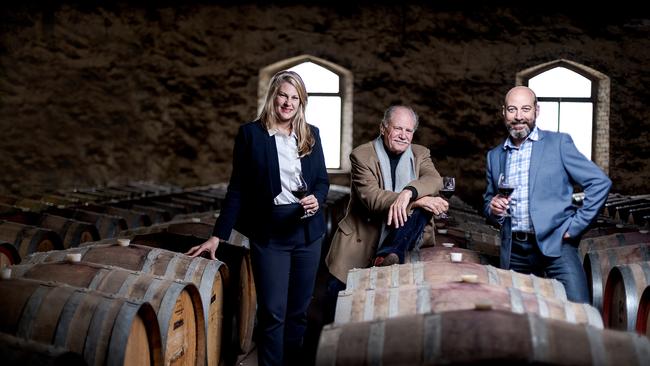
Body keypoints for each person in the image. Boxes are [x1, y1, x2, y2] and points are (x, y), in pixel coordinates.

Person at [186, 70, 329, 366]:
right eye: (283, 96)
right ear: (273, 97)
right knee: (273, 312)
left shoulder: (311, 134)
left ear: (301, 102)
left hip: (308, 232)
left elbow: (322, 182)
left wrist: (318, 198)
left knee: (298, 312)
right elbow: (237, 188)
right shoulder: (251, 134)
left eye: (295, 98)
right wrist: (218, 235)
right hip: (271, 233)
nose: (288, 103)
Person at [483, 85, 611, 303]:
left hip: (557, 247)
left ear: (536, 111)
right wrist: (493, 208)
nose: (519, 116)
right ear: (503, 112)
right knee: (517, 316)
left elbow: (599, 182)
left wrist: (576, 226)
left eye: (525, 109)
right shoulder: (495, 156)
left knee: (579, 310)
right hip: (514, 251)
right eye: (512, 109)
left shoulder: (559, 144)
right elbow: (489, 200)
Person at [325, 105, 448, 296]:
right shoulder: (362, 155)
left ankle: (389, 253)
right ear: (383, 128)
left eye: (409, 130)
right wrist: (416, 202)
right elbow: (373, 199)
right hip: (360, 243)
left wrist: (409, 194)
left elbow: (434, 180)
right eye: (398, 128)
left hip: (401, 242)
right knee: (338, 306)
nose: (403, 135)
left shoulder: (420, 154)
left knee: (425, 197)